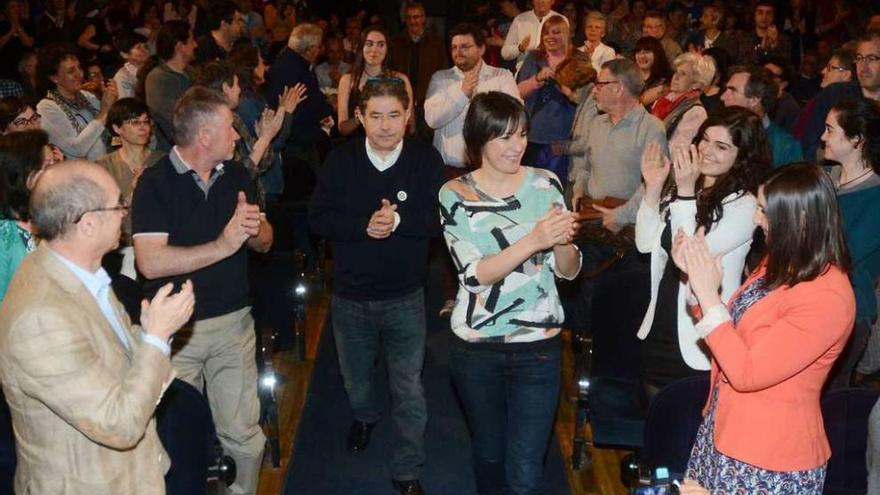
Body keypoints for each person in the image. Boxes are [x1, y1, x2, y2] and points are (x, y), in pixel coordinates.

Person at [0, 159, 195, 494]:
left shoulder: (79, 272)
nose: (125, 211)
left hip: (129, 475)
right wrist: (157, 339)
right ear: (88, 223)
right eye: (118, 203)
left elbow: (113, 355)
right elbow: (119, 425)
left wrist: (148, 331)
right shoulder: (39, 318)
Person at [676, 163, 855, 494]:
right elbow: (731, 333)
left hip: (768, 456)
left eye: (764, 210)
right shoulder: (781, 261)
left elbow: (747, 372)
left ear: (800, 219)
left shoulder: (828, 296)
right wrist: (698, 284)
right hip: (725, 429)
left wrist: (707, 295)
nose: (757, 219)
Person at [131, 87, 273, 495]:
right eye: (230, 127)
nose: (238, 136)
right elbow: (150, 262)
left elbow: (265, 242)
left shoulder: (239, 175)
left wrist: (254, 230)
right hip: (176, 335)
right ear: (205, 136)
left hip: (233, 325)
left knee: (245, 436)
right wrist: (223, 245)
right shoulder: (155, 184)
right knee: (178, 445)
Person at [439, 91, 581, 494]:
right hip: (477, 346)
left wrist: (563, 241)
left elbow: (568, 272)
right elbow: (473, 275)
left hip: (539, 345)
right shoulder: (455, 195)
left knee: (526, 467)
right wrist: (536, 238)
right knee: (488, 452)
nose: (517, 146)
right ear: (479, 140)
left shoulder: (546, 182)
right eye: (504, 137)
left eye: (521, 135)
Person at [309, 79, 446, 495]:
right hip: (350, 295)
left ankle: (407, 469)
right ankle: (365, 416)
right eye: (375, 116)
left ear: (409, 116)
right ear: (361, 117)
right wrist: (362, 226)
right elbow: (318, 219)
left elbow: (442, 219)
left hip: (406, 294)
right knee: (356, 379)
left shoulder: (426, 159)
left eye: (394, 116)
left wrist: (399, 222)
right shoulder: (340, 160)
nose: (385, 126)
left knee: (409, 387)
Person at [635, 107, 771, 396]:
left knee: (688, 432)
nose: (706, 150)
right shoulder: (687, 189)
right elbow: (645, 244)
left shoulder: (745, 206)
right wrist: (654, 188)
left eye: (721, 146)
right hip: (660, 323)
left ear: (742, 156)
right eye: (705, 140)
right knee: (656, 430)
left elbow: (687, 257)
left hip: (701, 336)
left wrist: (684, 192)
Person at [820, 97, 880, 390]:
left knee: (829, 401)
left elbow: (844, 255)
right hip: (811, 302)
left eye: (830, 130)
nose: (822, 137)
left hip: (848, 311)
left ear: (857, 139)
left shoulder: (876, 196)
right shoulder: (823, 178)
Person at [425, 22, 519, 177]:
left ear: (481, 48)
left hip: (490, 169)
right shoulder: (440, 79)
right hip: (448, 170)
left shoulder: (502, 76)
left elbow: (514, 118)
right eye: (454, 47)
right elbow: (432, 119)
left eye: (465, 46)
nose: (458, 52)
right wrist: (462, 94)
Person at [96, 98, 164, 280]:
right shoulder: (104, 167)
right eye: (135, 122)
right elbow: (103, 216)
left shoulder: (163, 162)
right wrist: (135, 191)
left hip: (160, 244)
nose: (143, 127)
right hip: (121, 248)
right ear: (117, 128)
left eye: (146, 121)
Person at [0, 129, 60, 300]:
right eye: (48, 165)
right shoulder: (3, 235)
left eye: (55, 162)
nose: (57, 170)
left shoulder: (58, 215)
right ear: (22, 173)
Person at [517, 14, 576, 182]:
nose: (550, 37)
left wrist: (569, 91)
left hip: (565, 137)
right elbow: (519, 92)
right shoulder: (534, 58)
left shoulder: (578, 59)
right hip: (534, 135)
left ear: (566, 34)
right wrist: (537, 79)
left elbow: (587, 97)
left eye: (556, 32)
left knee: (558, 188)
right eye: (546, 33)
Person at [36, 43, 118, 161]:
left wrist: (110, 101)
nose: (79, 74)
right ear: (54, 77)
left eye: (79, 68)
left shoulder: (87, 96)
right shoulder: (47, 107)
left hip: (108, 163)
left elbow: (111, 128)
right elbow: (77, 149)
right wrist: (105, 110)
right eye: (71, 71)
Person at [338, 25, 414, 137]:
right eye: (369, 44)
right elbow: (342, 129)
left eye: (381, 45)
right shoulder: (347, 80)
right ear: (361, 48)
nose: (374, 49)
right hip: (358, 147)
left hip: (391, 144)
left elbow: (410, 126)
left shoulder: (401, 80)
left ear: (387, 49)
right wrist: (358, 118)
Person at [721, 65, 803, 168]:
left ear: (754, 100)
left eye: (732, 91)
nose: (722, 97)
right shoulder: (717, 133)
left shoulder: (786, 148)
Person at [389, 2, 448, 140]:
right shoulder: (395, 42)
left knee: (428, 142)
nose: (412, 21)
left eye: (416, 17)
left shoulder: (437, 43)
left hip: (428, 102)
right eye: (409, 17)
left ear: (423, 18)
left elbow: (444, 72)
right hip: (402, 102)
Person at [145, 20, 197, 151]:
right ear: (180, 46)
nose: (195, 45)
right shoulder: (158, 79)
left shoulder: (191, 72)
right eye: (191, 41)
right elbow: (174, 120)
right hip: (174, 151)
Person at [650, 52, 713, 147]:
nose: (675, 77)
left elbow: (677, 150)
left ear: (696, 83)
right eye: (676, 72)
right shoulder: (664, 99)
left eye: (683, 74)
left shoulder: (696, 112)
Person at [501, 0, 563, 71]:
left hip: (552, 71)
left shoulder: (561, 20)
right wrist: (520, 48)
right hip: (525, 72)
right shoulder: (520, 20)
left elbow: (565, 51)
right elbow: (505, 53)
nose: (541, 1)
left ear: (552, 1)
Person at [634, 36, 672, 107]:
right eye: (638, 52)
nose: (641, 56)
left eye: (647, 52)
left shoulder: (665, 81)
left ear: (657, 55)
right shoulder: (629, 76)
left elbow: (636, 104)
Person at [112, 32, 151, 99]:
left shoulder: (152, 67)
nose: (145, 50)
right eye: (138, 47)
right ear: (124, 54)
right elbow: (127, 105)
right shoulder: (123, 77)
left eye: (146, 46)